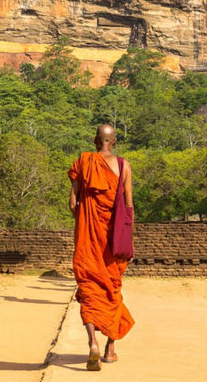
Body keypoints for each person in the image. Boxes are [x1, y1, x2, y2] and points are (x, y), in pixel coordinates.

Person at [68, 124, 135, 372]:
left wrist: (86, 219)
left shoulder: (84, 162)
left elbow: (73, 204)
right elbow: (128, 206)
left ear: (95, 140)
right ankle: (109, 349)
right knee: (112, 291)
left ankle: (92, 343)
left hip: (88, 241)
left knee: (89, 289)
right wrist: (127, 237)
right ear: (114, 141)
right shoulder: (123, 165)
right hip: (113, 241)